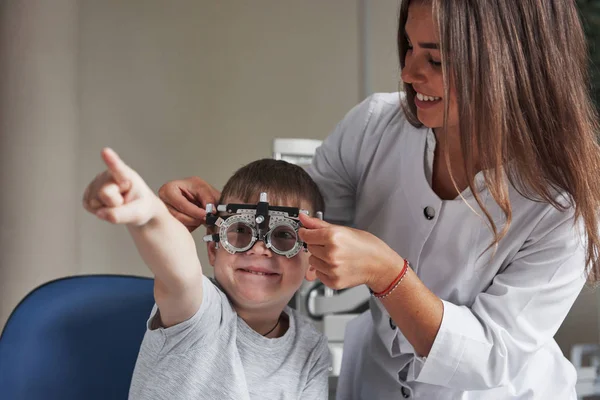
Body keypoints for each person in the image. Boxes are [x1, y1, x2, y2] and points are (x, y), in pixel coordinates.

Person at [159, 0, 600, 398]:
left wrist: (389, 275)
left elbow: (491, 355)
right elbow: (297, 221)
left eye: (436, 59)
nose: (409, 73)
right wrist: (230, 211)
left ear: (511, 65)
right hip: (375, 381)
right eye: (408, 47)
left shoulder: (562, 208)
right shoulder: (376, 126)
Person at [82, 150, 331, 399]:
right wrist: (150, 215)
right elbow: (180, 269)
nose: (259, 248)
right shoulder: (201, 309)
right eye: (241, 229)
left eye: (284, 235)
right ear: (214, 248)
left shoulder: (310, 347)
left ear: (314, 262)